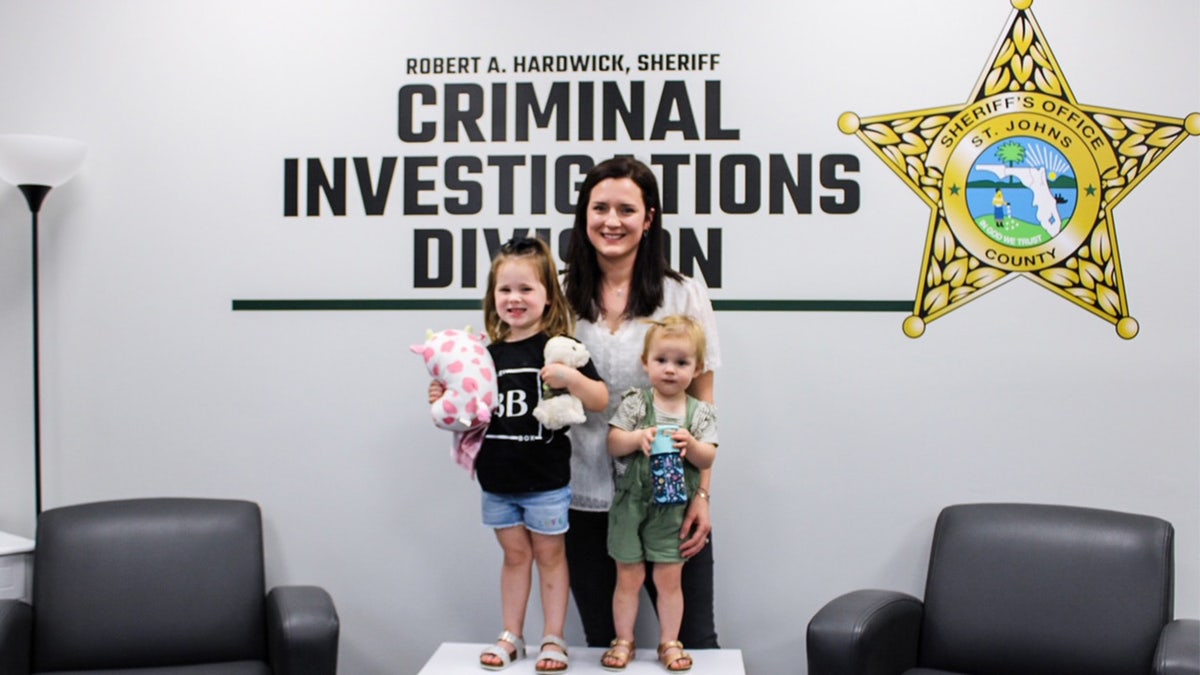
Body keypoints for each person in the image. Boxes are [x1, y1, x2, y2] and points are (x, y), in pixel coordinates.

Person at [562, 156, 722, 652]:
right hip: (580, 495)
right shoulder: (559, 292)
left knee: (694, 643)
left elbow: (704, 402)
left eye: (626, 209)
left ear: (649, 218)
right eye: (600, 207)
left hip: (671, 494)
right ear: (584, 214)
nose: (612, 221)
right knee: (603, 645)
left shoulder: (682, 294)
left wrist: (703, 496)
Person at [430, 237, 608, 673]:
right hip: (498, 482)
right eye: (505, 289)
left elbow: (600, 399)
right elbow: (463, 410)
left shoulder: (560, 348)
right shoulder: (483, 356)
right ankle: (512, 634)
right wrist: (440, 394)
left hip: (547, 481)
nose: (514, 298)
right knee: (514, 558)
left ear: (548, 296)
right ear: (493, 296)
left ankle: (553, 637)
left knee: (550, 557)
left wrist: (569, 378)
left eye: (526, 289)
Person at [603, 315, 718, 671]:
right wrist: (638, 438)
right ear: (645, 362)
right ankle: (624, 639)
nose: (670, 370)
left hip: (673, 509)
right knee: (628, 577)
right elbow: (612, 443)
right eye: (661, 361)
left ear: (697, 368)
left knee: (669, 580)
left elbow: (709, 455)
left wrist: (692, 445)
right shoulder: (637, 403)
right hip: (631, 504)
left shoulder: (699, 413)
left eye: (681, 363)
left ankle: (670, 641)